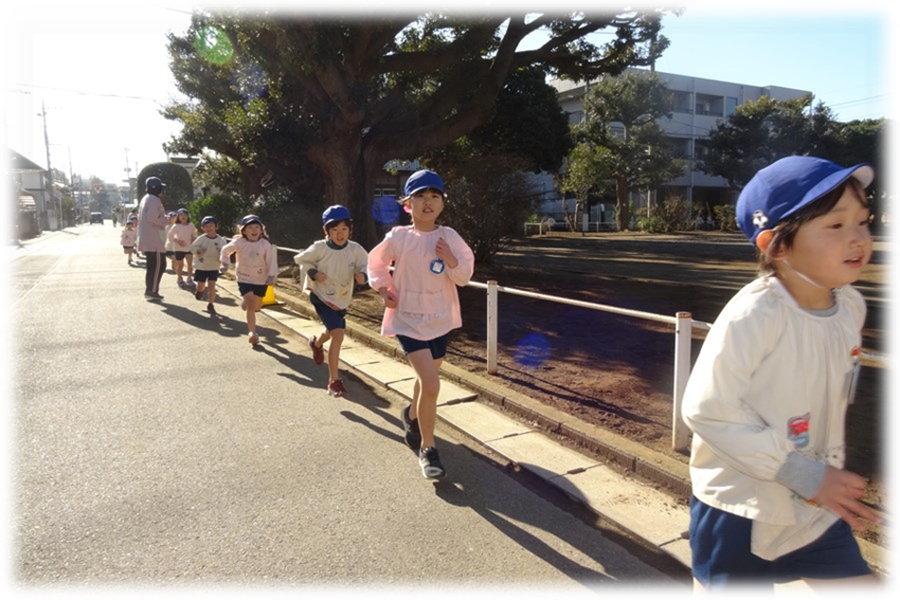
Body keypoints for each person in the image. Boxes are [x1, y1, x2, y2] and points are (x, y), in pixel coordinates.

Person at [681, 156, 884, 599]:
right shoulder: (755, 314)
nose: (858, 238)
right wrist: (801, 472)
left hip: (815, 503)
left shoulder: (850, 307)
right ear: (776, 246)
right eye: (835, 226)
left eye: (863, 222)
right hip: (742, 505)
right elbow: (705, 408)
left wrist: (816, 477)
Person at [367, 169, 475, 479]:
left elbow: (464, 276)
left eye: (434, 196)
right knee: (431, 383)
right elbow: (375, 264)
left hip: (440, 320)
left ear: (442, 204)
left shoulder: (449, 236)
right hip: (407, 319)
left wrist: (451, 260)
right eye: (420, 197)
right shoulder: (399, 237)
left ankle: (412, 414)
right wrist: (385, 288)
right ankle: (428, 449)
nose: (428, 202)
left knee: (427, 378)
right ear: (407, 205)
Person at [293, 205, 369, 397]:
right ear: (326, 231)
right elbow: (300, 259)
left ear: (350, 230)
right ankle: (334, 381)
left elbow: (366, 265)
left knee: (331, 331)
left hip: (342, 298)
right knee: (338, 335)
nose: (340, 233)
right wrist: (313, 272)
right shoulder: (320, 247)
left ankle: (316, 344)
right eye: (334, 229)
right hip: (320, 296)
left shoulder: (355, 249)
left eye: (344, 229)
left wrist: (363, 275)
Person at [219, 214, 278, 345]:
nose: (254, 230)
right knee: (251, 306)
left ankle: (246, 303)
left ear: (261, 230)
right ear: (244, 231)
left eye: (257, 227)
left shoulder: (265, 244)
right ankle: (253, 333)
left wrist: (271, 276)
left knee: (257, 305)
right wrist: (224, 263)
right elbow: (225, 250)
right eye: (250, 227)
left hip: (260, 278)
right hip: (243, 277)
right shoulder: (240, 242)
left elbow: (271, 260)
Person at [136, 176, 168, 300]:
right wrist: (167, 220)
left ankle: (149, 290)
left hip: (147, 238)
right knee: (159, 266)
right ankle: (152, 291)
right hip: (154, 239)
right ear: (157, 188)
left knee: (152, 266)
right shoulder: (154, 200)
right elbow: (153, 218)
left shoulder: (146, 198)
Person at [190, 215, 227, 315]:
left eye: (211, 225)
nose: (209, 228)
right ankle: (199, 291)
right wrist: (198, 250)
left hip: (214, 267)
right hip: (201, 266)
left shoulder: (220, 240)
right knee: (201, 285)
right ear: (202, 228)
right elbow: (192, 248)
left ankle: (210, 304)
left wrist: (224, 263)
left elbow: (225, 252)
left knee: (212, 286)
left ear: (216, 226)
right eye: (206, 226)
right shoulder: (201, 239)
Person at [168, 208, 197, 289]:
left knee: (190, 265)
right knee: (180, 265)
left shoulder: (191, 225)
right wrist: (177, 241)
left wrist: (193, 238)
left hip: (189, 247)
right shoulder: (176, 226)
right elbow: (170, 235)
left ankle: (190, 278)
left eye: (185, 215)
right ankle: (179, 278)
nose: (183, 217)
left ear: (188, 216)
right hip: (179, 248)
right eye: (181, 215)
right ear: (178, 217)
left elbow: (194, 233)